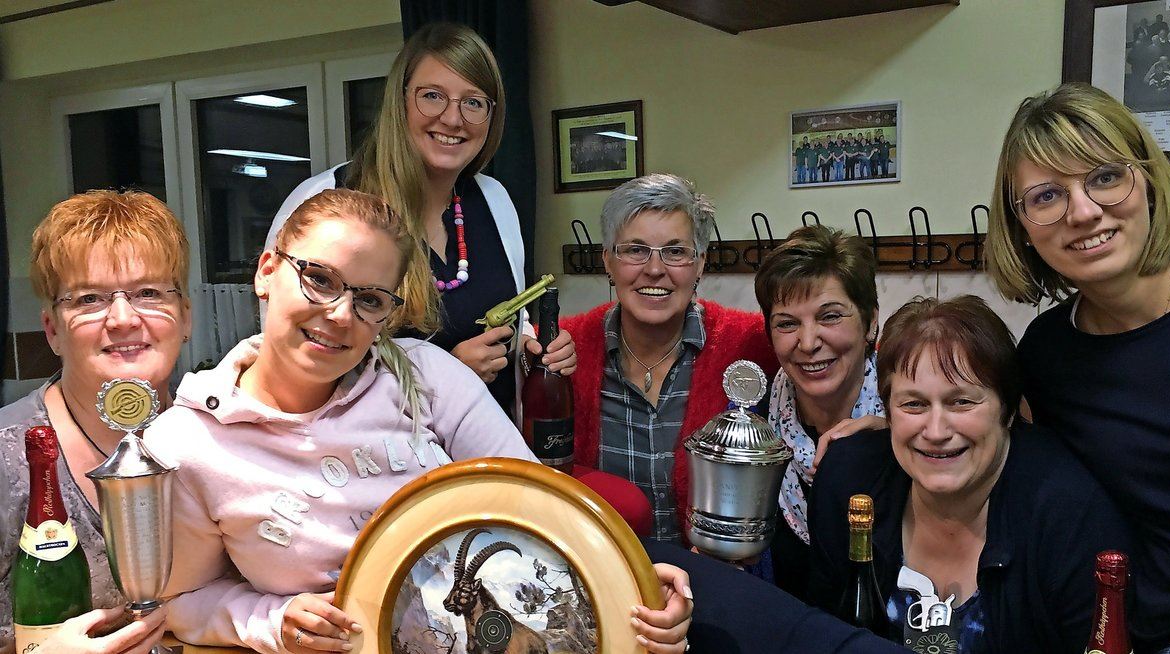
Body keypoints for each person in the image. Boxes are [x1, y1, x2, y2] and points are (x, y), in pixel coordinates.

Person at [150, 188, 690, 654]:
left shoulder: (424, 374)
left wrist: (628, 575)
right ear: (267, 272)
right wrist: (273, 622)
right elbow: (184, 603)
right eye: (318, 279)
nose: (340, 315)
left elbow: (538, 506)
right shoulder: (189, 443)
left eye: (369, 299)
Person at [985, 81, 1170, 652]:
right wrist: (883, 426)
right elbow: (981, 425)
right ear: (1023, 227)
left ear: (1149, 179)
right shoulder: (1047, 354)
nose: (1082, 212)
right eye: (1047, 195)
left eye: (1105, 177)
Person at [266, 22, 574, 418]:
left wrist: (534, 351)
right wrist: (447, 377)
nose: (453, 119)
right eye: (432, 96)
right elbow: (289, 365)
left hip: (487, 457)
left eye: (474, 102)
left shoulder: (494, 200)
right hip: (376, 467)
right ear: (400, 101)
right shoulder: (324, 202)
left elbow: (512, 326)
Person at [808, 295, 1133, 653]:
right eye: (913, 404)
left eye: (961, 401)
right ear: (887, 412)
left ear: (1008, 411)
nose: (935, 431)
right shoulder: (848, 481)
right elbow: (821, 632)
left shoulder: (1071, 516)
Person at [0, 190, 192, 654]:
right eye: (89, 299)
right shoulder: (7, 456)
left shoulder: (224, 429)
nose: (123, 319)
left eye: (149, 293)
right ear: (52, 330)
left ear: (185, 317)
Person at [562, 174, 778, 544]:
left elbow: (843, 361)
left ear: (700, 264)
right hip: (604, 577)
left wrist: (872, 416)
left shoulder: (752, 342)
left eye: (676, 252)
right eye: (635, 250)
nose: (655, 269)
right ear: (608, 262)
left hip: (717, 580)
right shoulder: (564, 349)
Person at [751, 225, 885, 598]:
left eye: (830, 316)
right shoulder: (757, 431)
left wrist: (894, 437)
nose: (808, 343)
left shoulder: (912, 430)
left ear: (871, 321)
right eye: (787, 324)